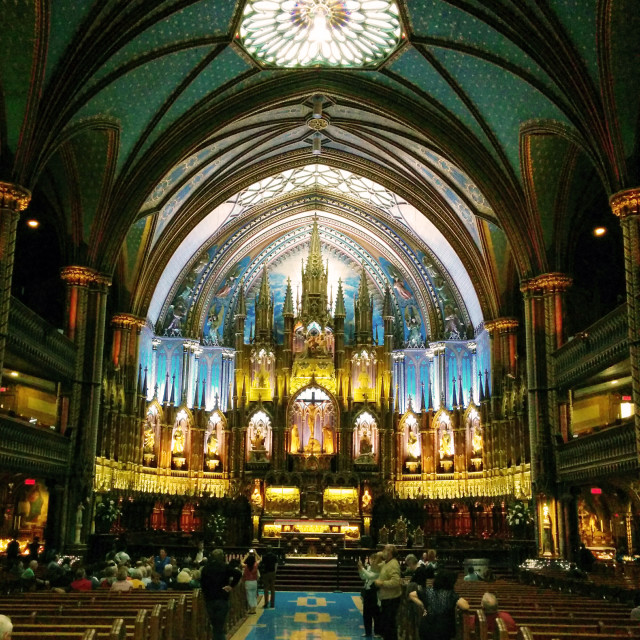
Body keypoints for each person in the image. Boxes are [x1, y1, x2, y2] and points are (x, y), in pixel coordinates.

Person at [409, 570, 469, 640]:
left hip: (426, 627)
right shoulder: (450, 594)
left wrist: (423, 606)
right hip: (443, 629)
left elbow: (411, 594)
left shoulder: (428, 591)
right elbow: (465, 606)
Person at [200, 548, 242, 640]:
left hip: (209, 599)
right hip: (222, 598)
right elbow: (238, 574)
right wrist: (231, 586)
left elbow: (202, 584)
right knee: (219, 627)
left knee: (215, 625)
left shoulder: (205, 568)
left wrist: (206, 593)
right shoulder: (224, 567)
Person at [374, 544, 402, 640]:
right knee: (386, 626)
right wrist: (378, 556)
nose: (382, 551)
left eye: (384, 549)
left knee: (390, 626)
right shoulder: (386, 562)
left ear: (389, 552)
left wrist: (381, 583)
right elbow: (374, 567)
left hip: (392, 599)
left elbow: (396, 582)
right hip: (386, 598)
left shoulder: (393, 564)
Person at [358, 552, 383, 638]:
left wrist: (362, 568)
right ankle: (367, 631)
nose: (372, 561)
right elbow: (364, 577)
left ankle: (378, 632)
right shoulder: (369, 567)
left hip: (374, 593)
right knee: (366, 613)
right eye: (371, 559)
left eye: (374, 559)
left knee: (375, 613)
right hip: (367, 592)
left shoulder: (379, 569)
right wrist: (360, 570)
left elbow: (371, 576)